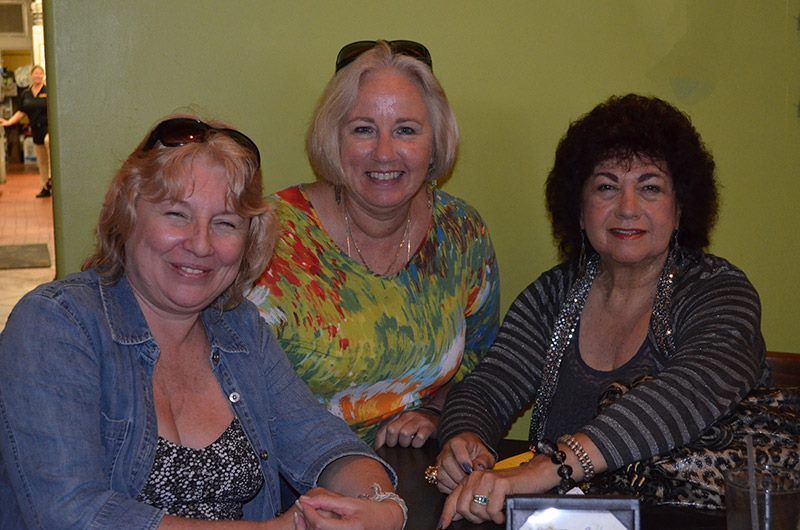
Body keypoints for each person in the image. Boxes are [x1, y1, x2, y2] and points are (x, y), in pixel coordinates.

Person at [0, 116, 406, 529]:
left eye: (225, 223)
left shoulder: (240, 327)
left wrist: (384, 505)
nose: (200, 244)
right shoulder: (56, 324)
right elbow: (68, 514)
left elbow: (319, 439)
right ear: (128, 213)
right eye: (177, 215)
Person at [431, 94, 768, 527]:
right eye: (606, 187)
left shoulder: (720, 291)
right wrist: (464, 440)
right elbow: (487, 389)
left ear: (681, 207)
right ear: (580, 207)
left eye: (650, 188)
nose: (627, 208)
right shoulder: (553, 295)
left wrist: (545, 468)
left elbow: (683, 395)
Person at [248, 40, 500, 448]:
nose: (384, 153)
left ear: (435, 142)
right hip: (289, 476)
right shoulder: (270, 236)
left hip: (416, 472)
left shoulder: (461, 232)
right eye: (363, 129)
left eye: (406, 130)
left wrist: (437, 411)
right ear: (334, 138)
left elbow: (482, 364)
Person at [0, 65, 50, 197]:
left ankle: (52, 179)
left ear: (43, 75)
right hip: (36, 130)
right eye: (35, 73)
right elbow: (22, 112)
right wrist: (9, 121)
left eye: (40, 73)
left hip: (49, 129)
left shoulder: (48, 91)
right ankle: (46, 187)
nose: (38, 76)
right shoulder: (26, 94)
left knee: (48, 143)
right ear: (31, 76)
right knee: (42, 161)